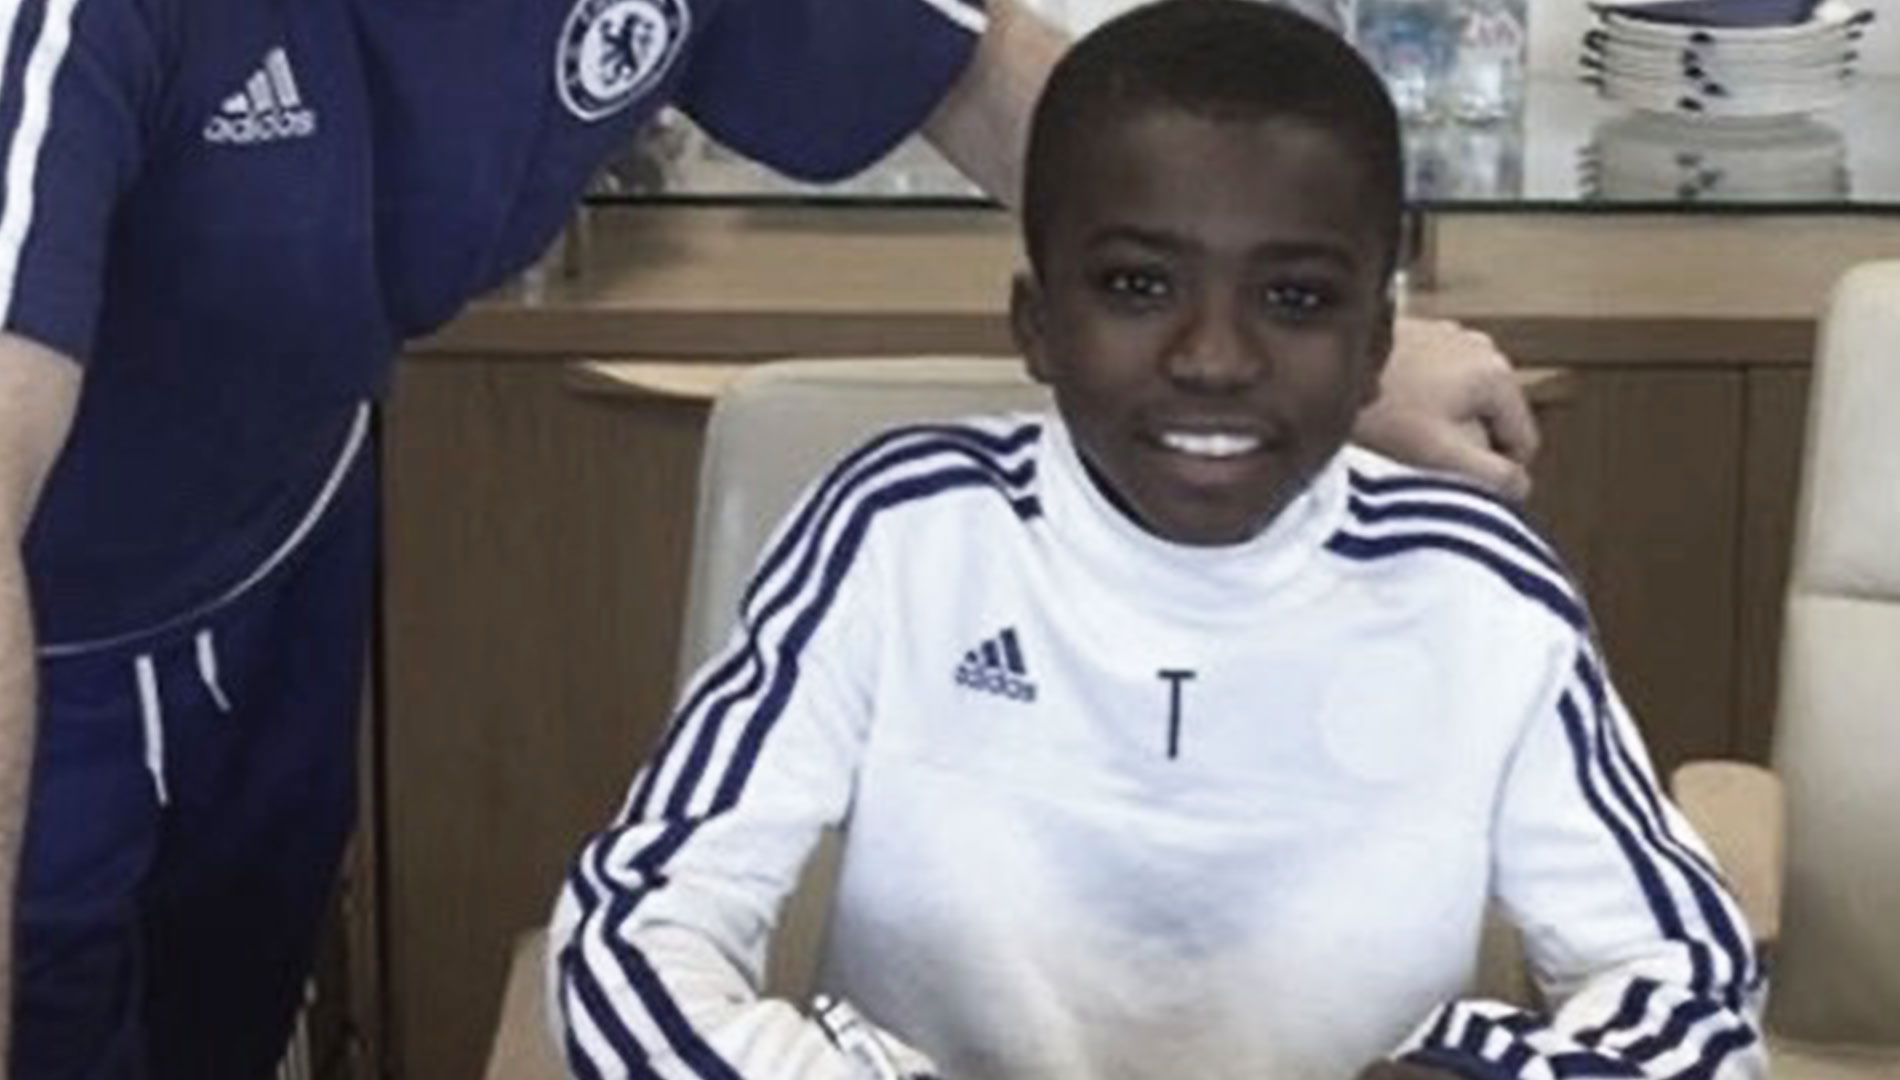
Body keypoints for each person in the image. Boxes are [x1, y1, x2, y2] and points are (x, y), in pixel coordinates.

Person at [0, 0, 1537, 1074]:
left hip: (281, 518)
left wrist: (1342, 344)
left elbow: (981, 82)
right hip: (48, 604)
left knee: (216, 1016)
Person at [547, 2, 1766, 1077]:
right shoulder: (898, 532)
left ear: (1375, 351)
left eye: (1295, 298)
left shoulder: (1480, 592)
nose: (1213, 358)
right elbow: (633, 927)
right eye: (1138, 286)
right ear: (1036, 323)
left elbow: (1692, 996)